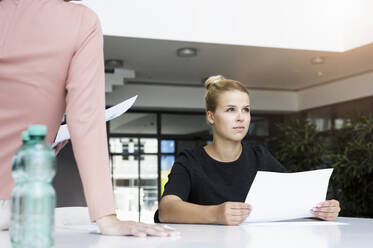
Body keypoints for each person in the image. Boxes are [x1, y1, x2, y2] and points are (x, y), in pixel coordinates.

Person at [0, 0, 176, 236]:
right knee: (82, 217)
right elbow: (85, 119)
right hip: (8, 203)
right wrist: (107, 216)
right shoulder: (80, 21)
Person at [155, 75, 341, 225]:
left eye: (246, 110)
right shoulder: (190, 160)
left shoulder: (260, 157)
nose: (241, 117)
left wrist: (321, 209)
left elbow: (293, 200)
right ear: (211, 116)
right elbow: (166, 209)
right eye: (230, 110)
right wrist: (215, 214)